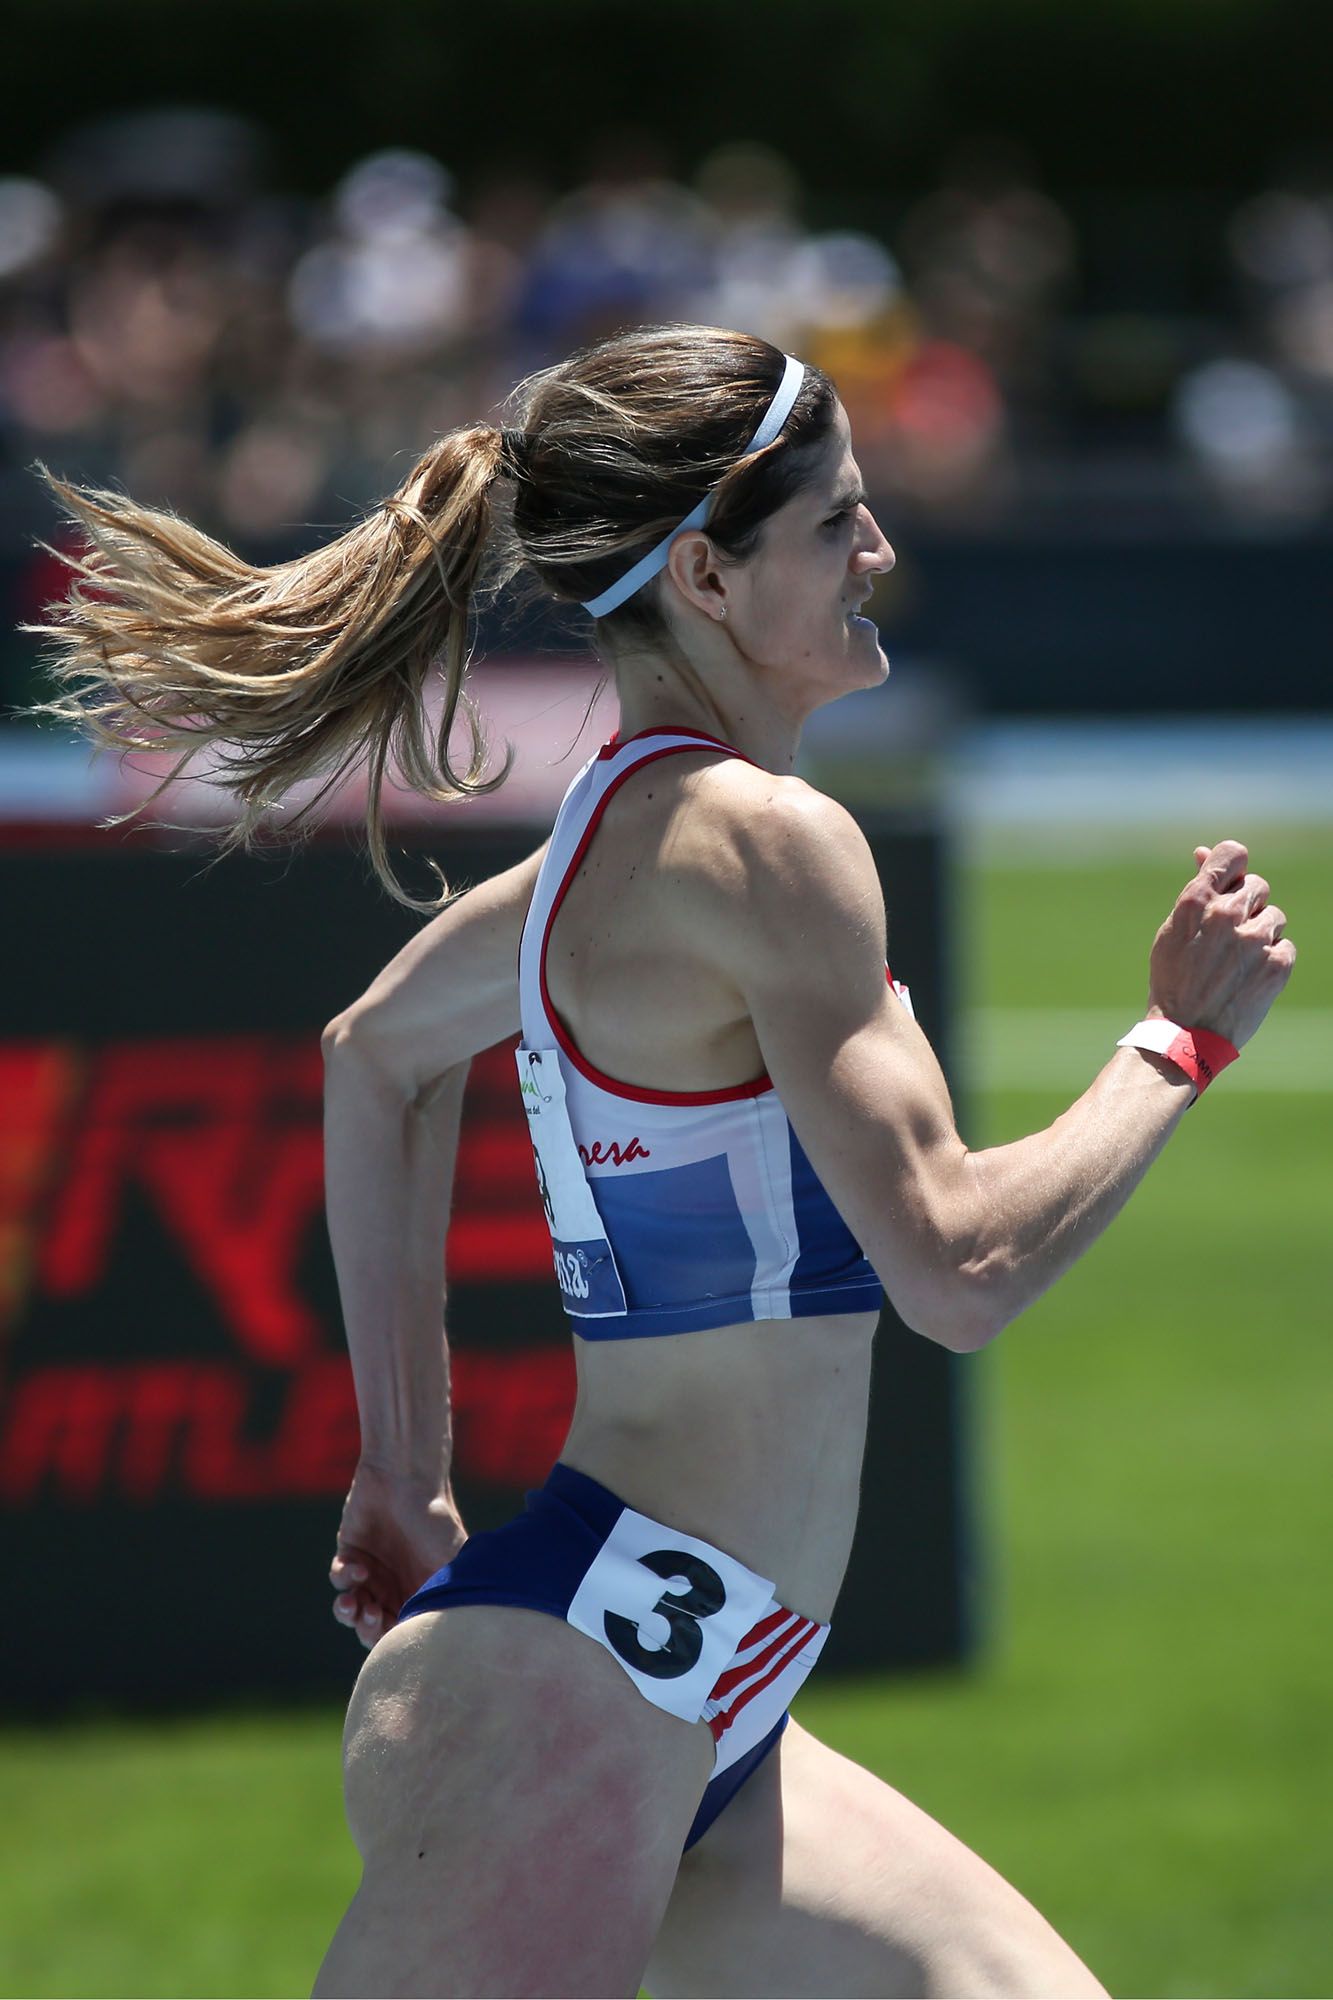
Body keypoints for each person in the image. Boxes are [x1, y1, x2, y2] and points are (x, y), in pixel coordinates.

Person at [28, 325, 1294, 1999]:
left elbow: (372, 1057)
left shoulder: (597, 853)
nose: (879, 553)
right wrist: (1174, 1046)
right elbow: (958, 1269)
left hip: (691, 1677)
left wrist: (407, 1472)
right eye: (836, 521)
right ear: (703, 574)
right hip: (580, 1678)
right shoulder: (767, 844)